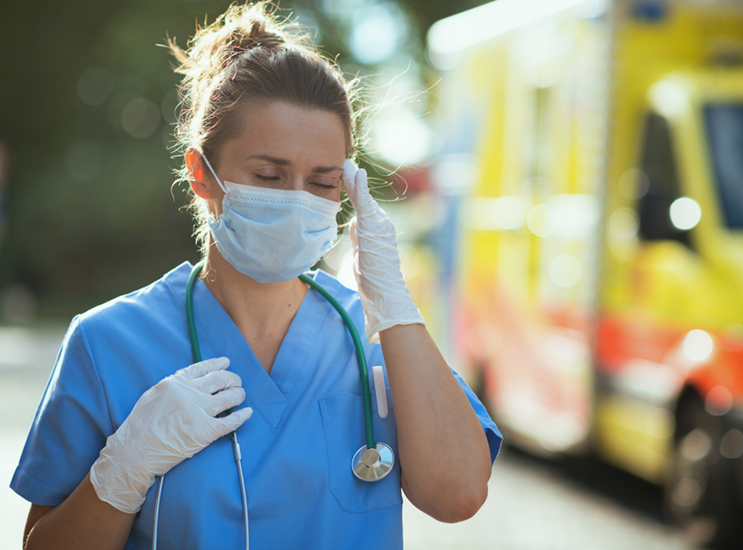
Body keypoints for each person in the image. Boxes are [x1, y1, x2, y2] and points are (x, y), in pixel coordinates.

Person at [11, 3, 502, 549]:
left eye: (321, 183)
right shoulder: (108, 344)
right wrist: (121, 471)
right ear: (203, 175)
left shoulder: (379, 336)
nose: (296, 200)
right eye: (269, 175)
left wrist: (395, 303)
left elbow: (458, 496)